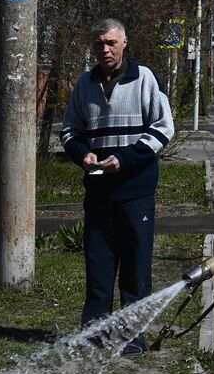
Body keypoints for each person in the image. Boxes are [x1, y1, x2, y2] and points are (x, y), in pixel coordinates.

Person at [58, 18, 175, 354]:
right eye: (98, 44)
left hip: (135, 189)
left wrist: (126, 158)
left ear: (125, 42)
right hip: (98, 192)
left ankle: (131, 337)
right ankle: (93, 337)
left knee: (136, 269)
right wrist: (83, 154)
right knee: (98, 268)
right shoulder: (84, 84)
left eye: (110, 43)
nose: (104, 50)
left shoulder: (145, 79)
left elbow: (163, 129)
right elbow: (69, 130)